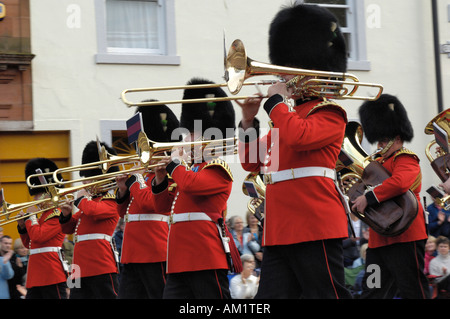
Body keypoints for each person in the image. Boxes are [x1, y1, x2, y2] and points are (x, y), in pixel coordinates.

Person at [238, 4, 352, 299]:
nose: (281, 76)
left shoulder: (330, 112)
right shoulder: (284, 118)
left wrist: (276, 104)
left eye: (286, 72)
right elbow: (251, 161)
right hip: (279, 228)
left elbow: (300, 137)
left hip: (315, 224)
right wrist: (249, 121)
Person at [155, 77, 241, 299]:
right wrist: (160, 178)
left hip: (205, 255)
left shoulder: (217, 168)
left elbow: (192, 185)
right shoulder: (185, 171)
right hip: (178, 258)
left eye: (192, 135)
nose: (186, 140)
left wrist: (174, 165)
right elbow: (161, 206)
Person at [351, 94, 430, 299]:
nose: (379, 144)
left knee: (412, 289)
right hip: (380, 239)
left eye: (384, 140)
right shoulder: (377, 163)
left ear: (397, 139)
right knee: (372, 290)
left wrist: (368, 198)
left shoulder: (405, 159)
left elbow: (400, 183)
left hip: (406, 235)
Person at [115, 103, 179, 299]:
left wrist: (134, 181)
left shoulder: (168, 175)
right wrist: (123, 190)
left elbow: (150, 204)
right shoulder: (143, 175)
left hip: (155, 249)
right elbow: (122, 212)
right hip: (131, 251)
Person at [59, 141, 120, 299]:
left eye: (89, 178)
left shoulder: (111, 202)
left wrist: (81, 200)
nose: (85, 182)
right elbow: (68, 229)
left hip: (100, 265)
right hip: (78, 267)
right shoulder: (87, 205)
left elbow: (96, 212)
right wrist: (65, 214)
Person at [17, 158, 69, 299]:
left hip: (51, 273)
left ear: (48, 193)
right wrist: (22, 227)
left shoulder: (57, 213)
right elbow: (29, 244)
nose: (35, 199)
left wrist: (31, 218)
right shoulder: (41, 217)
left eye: (37, 195)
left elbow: (39, 236)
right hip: (35, 275)